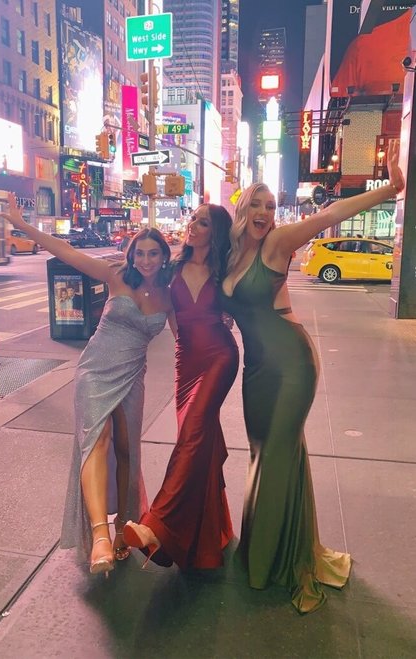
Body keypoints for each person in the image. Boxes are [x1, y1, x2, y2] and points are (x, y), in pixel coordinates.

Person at [220, 140, 405, 614]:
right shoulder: (231, 257)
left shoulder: (277, 244)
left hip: (291, 365)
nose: (264, 213)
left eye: (270, 206)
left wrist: (390, 189)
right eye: (256, 204)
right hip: (256, 370)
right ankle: (276, 547)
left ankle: (272, 565)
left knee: (276, 455)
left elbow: (331, 214)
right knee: (265, 454)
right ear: (242, 209)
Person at [0, 193, 172, 575]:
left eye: (153, 254)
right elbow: (65, 251)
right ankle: (99, 535)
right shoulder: (115, 275)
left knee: (127, 451)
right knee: (97, 439)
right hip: (95, 370)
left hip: (133, 376)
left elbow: (187, 339)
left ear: (163, 257)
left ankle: (124, 525)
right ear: (131, 255)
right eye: (140, 253)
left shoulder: (168, 294)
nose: (145, 260)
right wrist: (23, 225)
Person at [123, 204, 239, 569]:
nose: (193, 226)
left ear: (215, 232)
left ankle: (156, 526)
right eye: (193, 219)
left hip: (220, 357)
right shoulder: (171, 269)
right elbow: (151, 295)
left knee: (191, 436)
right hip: (186, 362)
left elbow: (248, 301)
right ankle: (208, 538)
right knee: (199, 442)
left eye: (202, 222)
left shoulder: (225, 270)